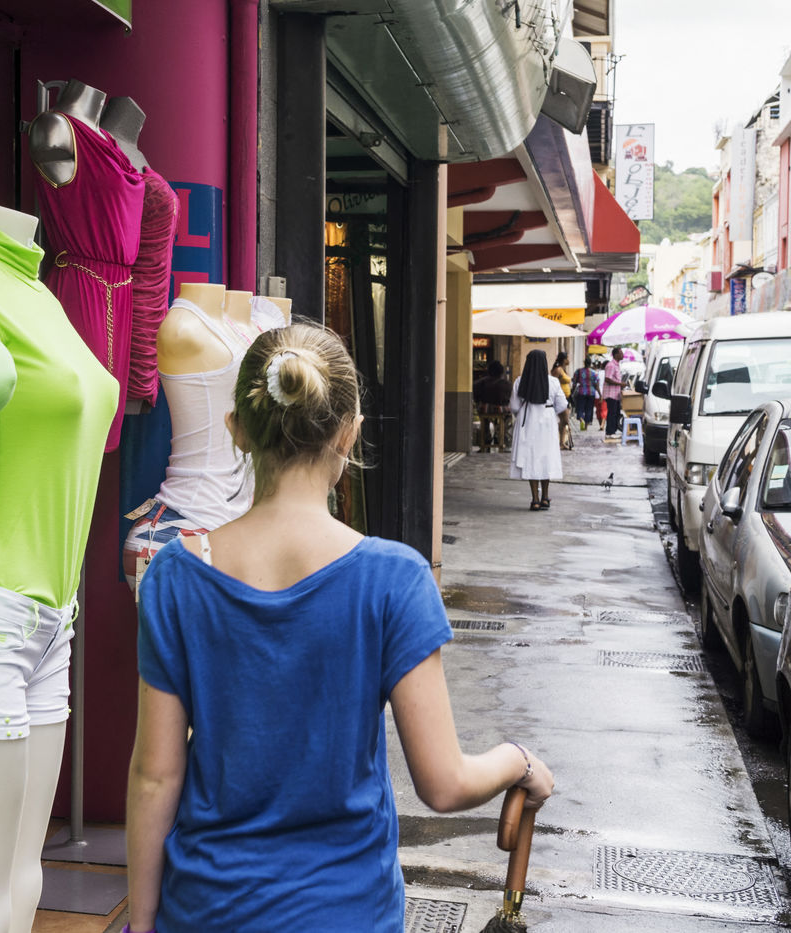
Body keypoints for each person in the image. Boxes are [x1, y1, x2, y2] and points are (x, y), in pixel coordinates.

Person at [124, 323, 556, 932]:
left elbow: (155, 776)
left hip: (208, 908)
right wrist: (519, 762)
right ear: (349, 432)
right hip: (349, 911)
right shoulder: (394, 579)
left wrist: (143, 922)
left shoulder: (176, 575)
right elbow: (444, 784)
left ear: (237, 430)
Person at [510, 349, 568, 510]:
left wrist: (523, 412)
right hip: (547, 422)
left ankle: (535, 499)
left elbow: (514, 406)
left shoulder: (520, 381)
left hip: (527, 420)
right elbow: (562, 405)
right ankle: (545, 497)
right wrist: (551, 412)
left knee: (531, 458)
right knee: (545, 457)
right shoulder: (553, 382)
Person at [472, 359, 512, 450]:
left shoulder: (481, 383)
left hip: (485, 408)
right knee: (508, 417)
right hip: (502, 409)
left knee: (484, 418)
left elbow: (476, 396)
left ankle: (486, 439)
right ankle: (501, 435)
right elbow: (509, 399)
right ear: (501, 372)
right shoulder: (507, 384)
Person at [551, 351, 574, 450]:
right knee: (564, 421)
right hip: (560, 398)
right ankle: (559, 441)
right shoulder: (558, 370)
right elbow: (553, 383)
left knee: (564, 422)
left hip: (566, 398)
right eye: (567, 358)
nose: (569, 360)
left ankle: (561, 442)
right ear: (564, 359)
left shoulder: (563, 370)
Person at [603, 347, 627, 439]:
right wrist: (620, 384)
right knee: (612, 413)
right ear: (616, 355)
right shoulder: (611, 365)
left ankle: (613, 431)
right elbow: (607, 379)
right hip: (610, 394)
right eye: (621, 353)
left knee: (616, 413)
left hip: (616, 394)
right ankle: (609, 432)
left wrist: (621, 385)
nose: (622, 355)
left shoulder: (617, 365)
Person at [572, 354, 600, 430]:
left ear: (584, 363)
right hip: (591, 393)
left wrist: (572, 390)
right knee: (589, 409)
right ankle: (586, 426)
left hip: (581, 392)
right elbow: (597, 385)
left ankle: (581, 418)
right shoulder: (594, 373)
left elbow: (574, 382)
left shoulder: (578, 371)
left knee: (580, 407)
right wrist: (600, 394)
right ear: (590, 363)